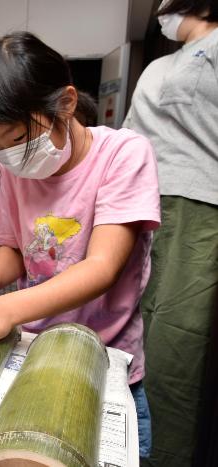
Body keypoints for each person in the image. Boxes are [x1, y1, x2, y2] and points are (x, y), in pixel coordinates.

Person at [0, 32, 160, 459]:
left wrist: (4, 308)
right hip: (31, 347)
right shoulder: (10, 170)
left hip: (105, 358)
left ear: (66, 103)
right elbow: (14, 249)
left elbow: (101, 269)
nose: (11, 156)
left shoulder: (124, 155)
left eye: (18, 138)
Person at [123, 0, 218, 464]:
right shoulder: (159, 64)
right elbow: (131, 133)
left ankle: (164, 454)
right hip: (142, 199)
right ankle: (123, 440)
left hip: (201, 203)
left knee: (178, 339)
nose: (161, 12)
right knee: (130, 319)